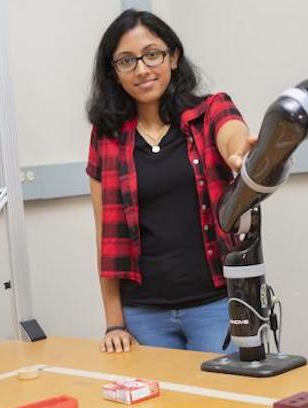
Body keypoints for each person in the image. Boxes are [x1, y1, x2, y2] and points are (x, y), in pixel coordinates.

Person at [86, 9, 255, 354]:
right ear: (114, 73)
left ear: (173, 57)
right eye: (126, 61)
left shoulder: (209, 111)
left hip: (215, 305)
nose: (142, 69)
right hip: (143, 314)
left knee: (222, 405)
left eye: (152, 54)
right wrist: (114, 321)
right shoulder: (107, 137)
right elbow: (105, 236)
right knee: (164, 406)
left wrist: (241, 153)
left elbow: (231, 133)